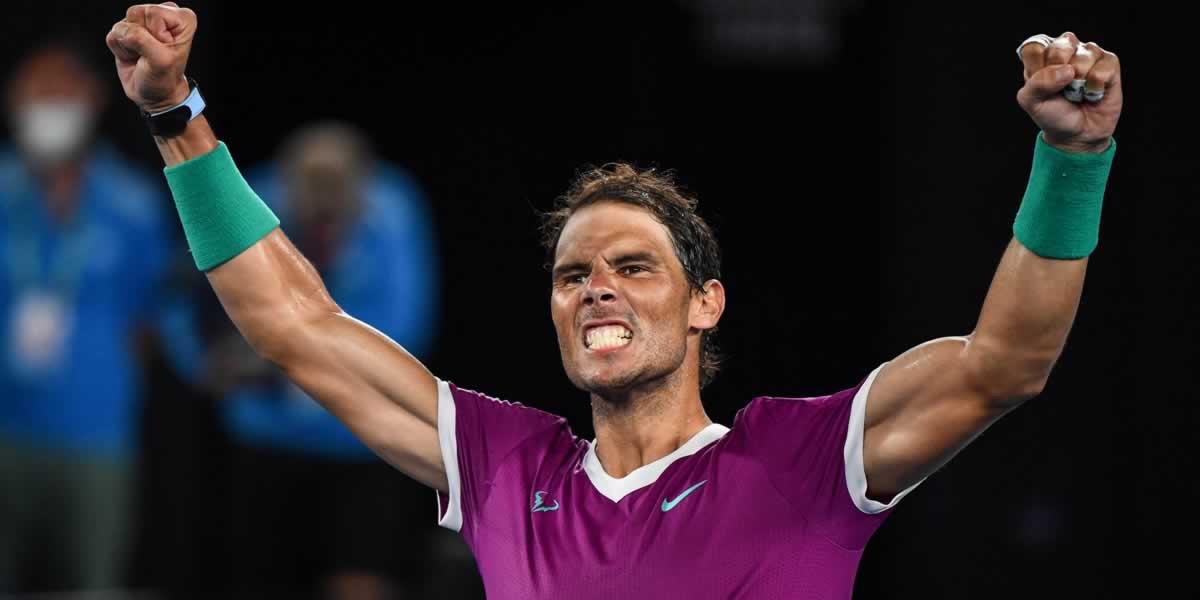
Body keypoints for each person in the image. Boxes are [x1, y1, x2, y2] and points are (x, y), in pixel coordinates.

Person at [105, 5, 1121, 598]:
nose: (595, 285)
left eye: (635, 266)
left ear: (705, 306)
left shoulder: (806, 462)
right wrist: (175, 117)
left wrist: (1072, 159)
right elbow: (295, 325)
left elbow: (1005, 363)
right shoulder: (506, 469)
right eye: (573, 273)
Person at [161, 121, 440, 599]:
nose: (324, 205)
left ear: (364, 184)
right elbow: (177, 293)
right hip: (264, 438)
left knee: (360, 580)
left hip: (364, 441)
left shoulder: (393, 210)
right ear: (284, 181)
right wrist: (201, 364)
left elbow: (406, 323)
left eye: (338, 190)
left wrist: (284, 358)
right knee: (264, 579)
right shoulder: (248, 198)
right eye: (311, 189)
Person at [0, 38, 171, 592]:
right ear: (13, 100)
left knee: (96, 585)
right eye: (37, 91)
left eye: (62, 91)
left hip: (97, 436)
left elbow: (153, 317)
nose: (49, 104)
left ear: (93, 98)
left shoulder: (133, 203)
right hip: (5, 430)